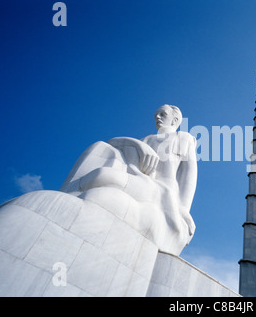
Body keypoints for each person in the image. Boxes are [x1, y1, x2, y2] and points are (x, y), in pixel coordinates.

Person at [60, 105, 197, 254]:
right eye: (156, 115)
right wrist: (137, 144)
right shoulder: (146, 139)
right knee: (100, 173)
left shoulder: (183, 138)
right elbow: (112, 142)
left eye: (162, 114)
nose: (157, 117)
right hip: (140, 180)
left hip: (161, 192)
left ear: (175, 119)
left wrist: (183, 209)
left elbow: (189, 175)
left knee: (102, 176)